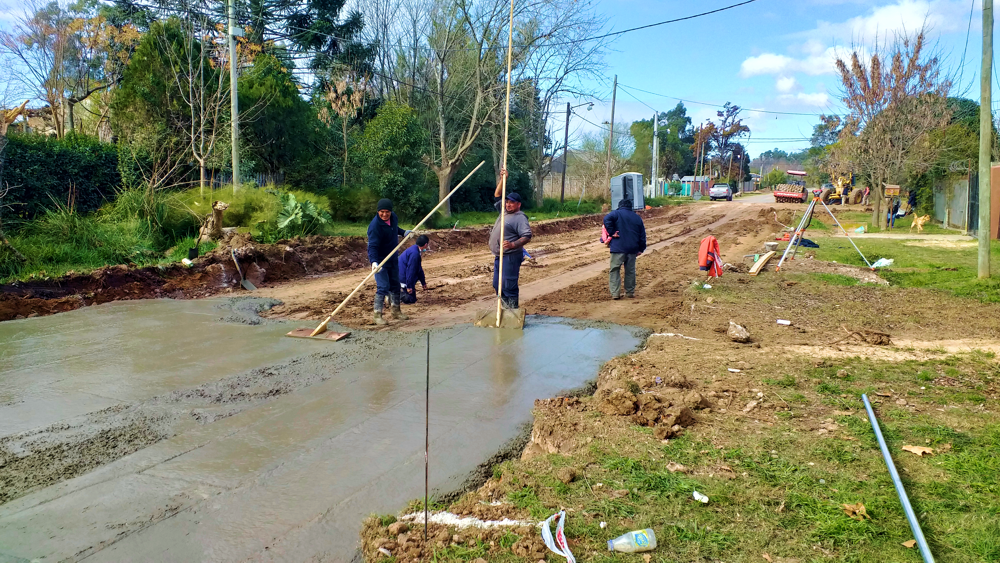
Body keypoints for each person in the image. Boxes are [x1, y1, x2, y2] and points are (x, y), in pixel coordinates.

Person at [489, 170, 532, 309]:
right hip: (499, 255)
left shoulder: (520, 217)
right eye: (507, 202)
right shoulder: (504, 211)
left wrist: (513, 244)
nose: (508, 204)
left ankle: (512, 312)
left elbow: (527, 235)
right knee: (497, 284)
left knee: (508, 285)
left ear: (518, 204)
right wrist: (503, 179)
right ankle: (504, 310)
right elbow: (497, 195)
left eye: (511, 203)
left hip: (511, 256)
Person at [368, 198, 411, 325]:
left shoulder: (393, 218)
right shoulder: (375, 226)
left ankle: (396, 311)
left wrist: (403, 233)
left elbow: (394, 228)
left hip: (392, 258)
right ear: (378, 211)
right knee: (383, 287)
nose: (385, 214)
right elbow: (372, 246)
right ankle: (377, 315)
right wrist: (374, 262)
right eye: (382, 212)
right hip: (380, 261)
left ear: (391, 212)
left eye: (387, 212)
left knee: (395, 284)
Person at [603, 198, 646, 299]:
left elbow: (606, 219)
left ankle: (615, 294)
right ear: (630, 207)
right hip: (632, 248)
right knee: (630, 271)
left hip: (618, 248)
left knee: (614, 270)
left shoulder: (616, 214)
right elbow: (642, 235)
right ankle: (630, 292)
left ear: (620, 206)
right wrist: (641, 248)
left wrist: (612, 232)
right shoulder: (637, 218)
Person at [398, 235, 429, 304]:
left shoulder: (414, 249)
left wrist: (423, 283)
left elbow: (419, 269)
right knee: (411, 299)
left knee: (413, 298)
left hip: (401, 274)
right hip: (402, 277)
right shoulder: (415, 254)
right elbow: (411, 271)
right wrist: (409, 286)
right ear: (425, 244)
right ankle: (395, 295)